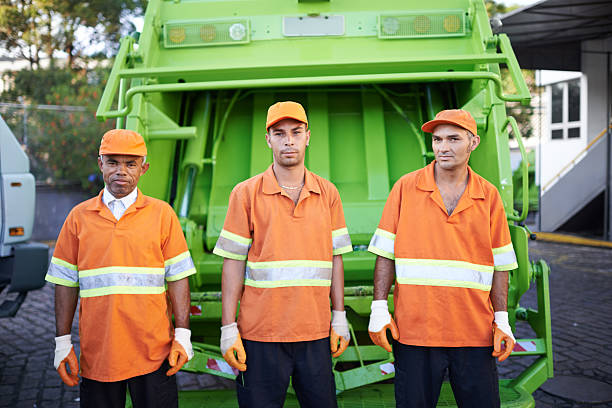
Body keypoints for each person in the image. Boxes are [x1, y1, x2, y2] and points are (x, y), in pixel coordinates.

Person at [367, 109, 518, 408]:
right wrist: (379, 308)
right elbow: (384, 254)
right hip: (414, 333)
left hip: (475, 333)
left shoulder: (488, 196)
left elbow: (501, 264)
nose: (443, 147)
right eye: (437, 139)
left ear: (473, 142)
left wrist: (502, 319)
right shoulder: (405, 188)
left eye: (453, 139)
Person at [213, 101, 352, 407]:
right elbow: (232, 264)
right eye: (279, 133)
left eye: (296, 132)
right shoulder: (245, 194)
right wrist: (228, 328)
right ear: (268, 139)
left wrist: (339, 317)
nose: (288, 140)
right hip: (260, 334)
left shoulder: (328, 194)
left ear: (307, 136)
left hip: (315, 332)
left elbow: (336, 257)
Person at [45, 129, 196, 408]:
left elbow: (178, 278)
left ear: (144, 168)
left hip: (154, 354)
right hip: (99, 356)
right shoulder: (78, 218)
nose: (121, 171)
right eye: (113, 162)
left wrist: (183, 336)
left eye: (130, 163)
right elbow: (65, 283)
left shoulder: (162, 215)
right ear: (100, 164)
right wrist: (62, 342)